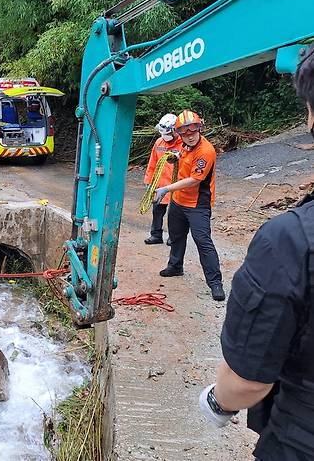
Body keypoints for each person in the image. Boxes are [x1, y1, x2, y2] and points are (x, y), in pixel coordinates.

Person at [199, 44, 314, 461]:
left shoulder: (289, 243)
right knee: (175, 246)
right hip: (172, 207)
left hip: (298, 443)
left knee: (204, 246)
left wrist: (218, 401)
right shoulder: (168, 148)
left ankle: (213, 286)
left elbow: (245, 383)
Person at [154, 110, 225, 301]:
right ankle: (175, 266)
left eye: (193, 133)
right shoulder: (184, 146)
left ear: (199, 129)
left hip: (197, 204)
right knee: (176, 236)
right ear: (179, 134)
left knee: (203, 241)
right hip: (178, 201)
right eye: (185, 134)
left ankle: (215, 283)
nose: (190, 137)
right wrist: (176, 156)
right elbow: (184, 156)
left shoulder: (206, 151)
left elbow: (195, 179)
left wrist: (166, 188)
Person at [144, 113, 181, 245]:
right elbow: (152, 163)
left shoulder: (183, 145)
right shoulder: (159, 142)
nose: (166, 138)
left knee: (174, 215)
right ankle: (156, 235)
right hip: (159, 185)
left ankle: (173, 237)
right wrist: (148, 182)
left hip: (176, 186)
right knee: (157, 211)